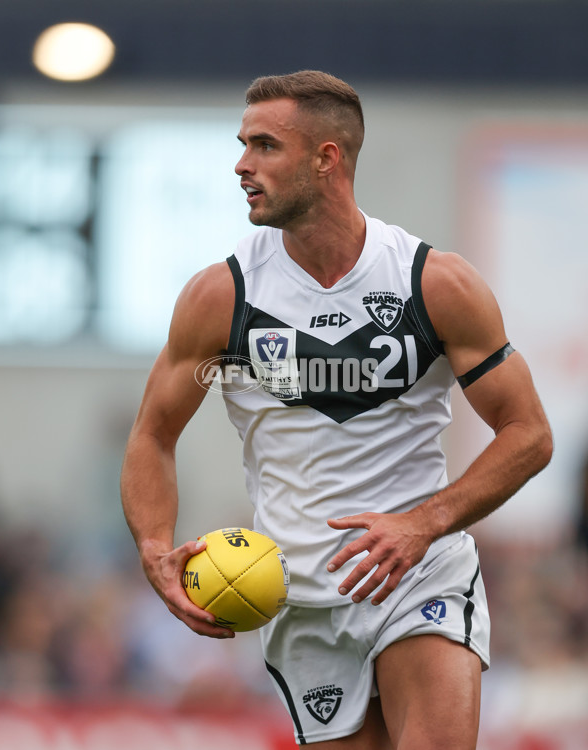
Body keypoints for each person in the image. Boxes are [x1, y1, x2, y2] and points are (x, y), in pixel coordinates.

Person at [120, 71, 552, 749]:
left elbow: (529, 434)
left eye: (264, 146)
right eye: (242, 144)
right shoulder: (220, 298)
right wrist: (153, 546)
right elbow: (153, 435)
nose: (241, 164)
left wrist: (423, 524)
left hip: (420, 573)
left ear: (328, 158)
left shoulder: (435, 285)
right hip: (296, 596)